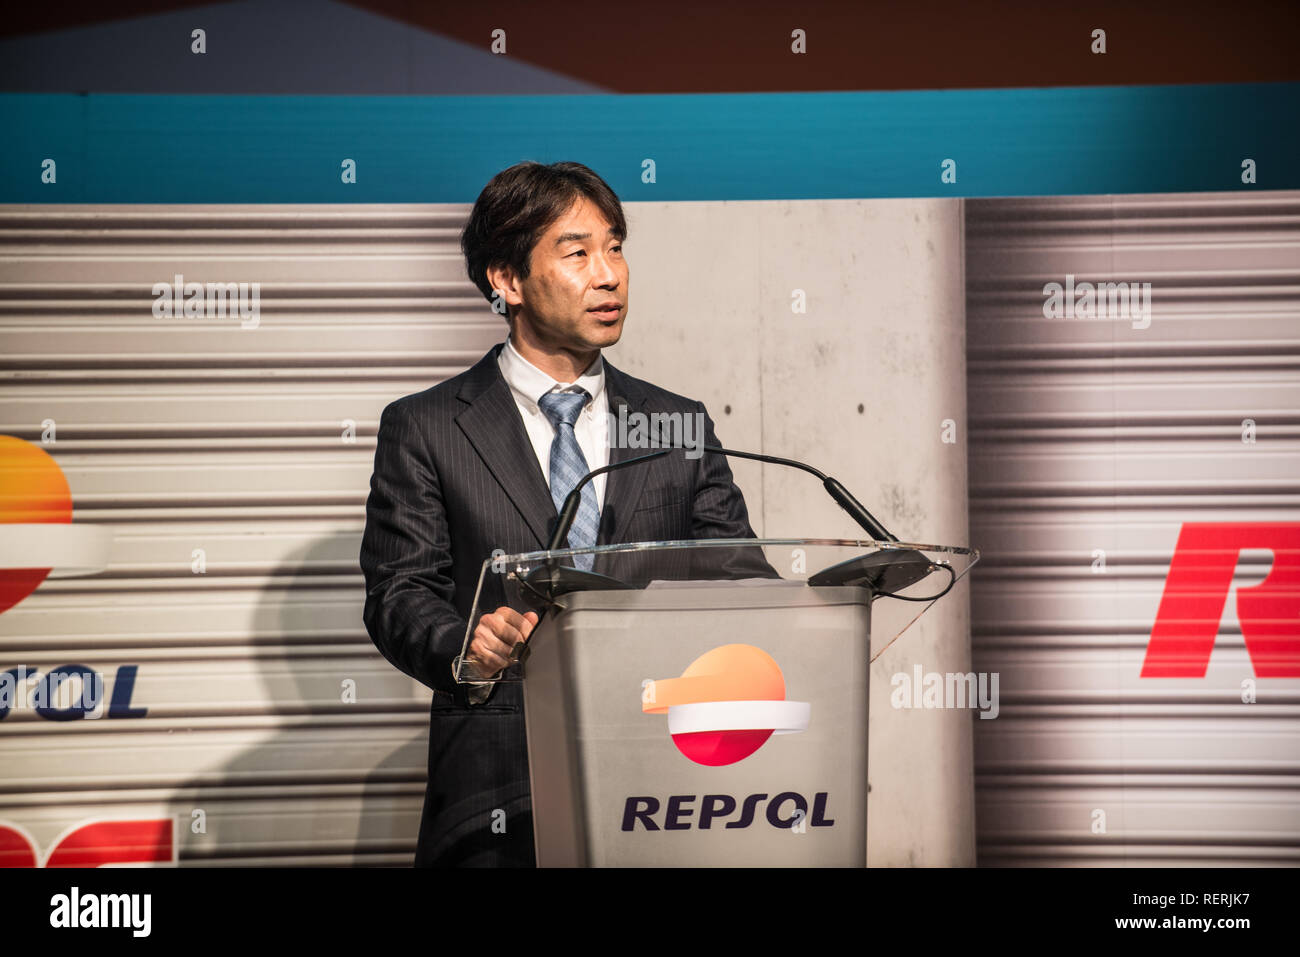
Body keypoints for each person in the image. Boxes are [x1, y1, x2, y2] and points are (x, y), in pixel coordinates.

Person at [360, 160, 770, 867]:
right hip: (500, 790)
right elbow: (399, 592)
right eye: (577, 251)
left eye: (615, 246)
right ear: (507, 279)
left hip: (668, 787)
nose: (609, 273)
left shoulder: (676, 423)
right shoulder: (426, 426)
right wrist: (467, 644)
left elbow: (743, 581)